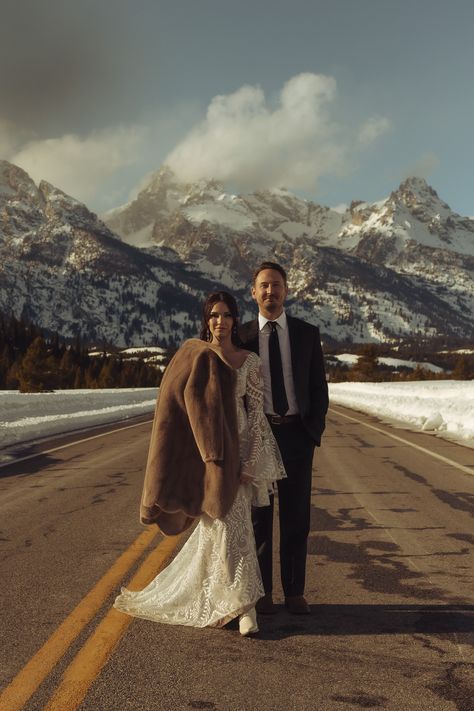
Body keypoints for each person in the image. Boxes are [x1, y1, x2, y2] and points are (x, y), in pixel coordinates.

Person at [114, 291, 286, 636]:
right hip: (206, 454)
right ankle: (233, 601)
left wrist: (250, 461)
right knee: (217, 526)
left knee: (233, 524)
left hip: (237, 451)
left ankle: (244, 606)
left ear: (236, 319)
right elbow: (175, 404)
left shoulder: (249, 361)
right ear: (206, 320)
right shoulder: (195, 354)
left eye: (225, 315)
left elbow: (255, 417)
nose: (220, 321)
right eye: (213, 315)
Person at [239, 261, 328, 615]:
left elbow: (318, 387)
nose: (270, 292)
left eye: (276, 285)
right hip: (259, 436)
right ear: (253, 292)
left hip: (296, 434)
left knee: (296, 517)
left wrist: (312, 432)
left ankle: (295, 591)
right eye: (264, 286)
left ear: (286, 290)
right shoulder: (241, 337)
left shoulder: (307, 333)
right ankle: (263, 595)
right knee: (260, 517)